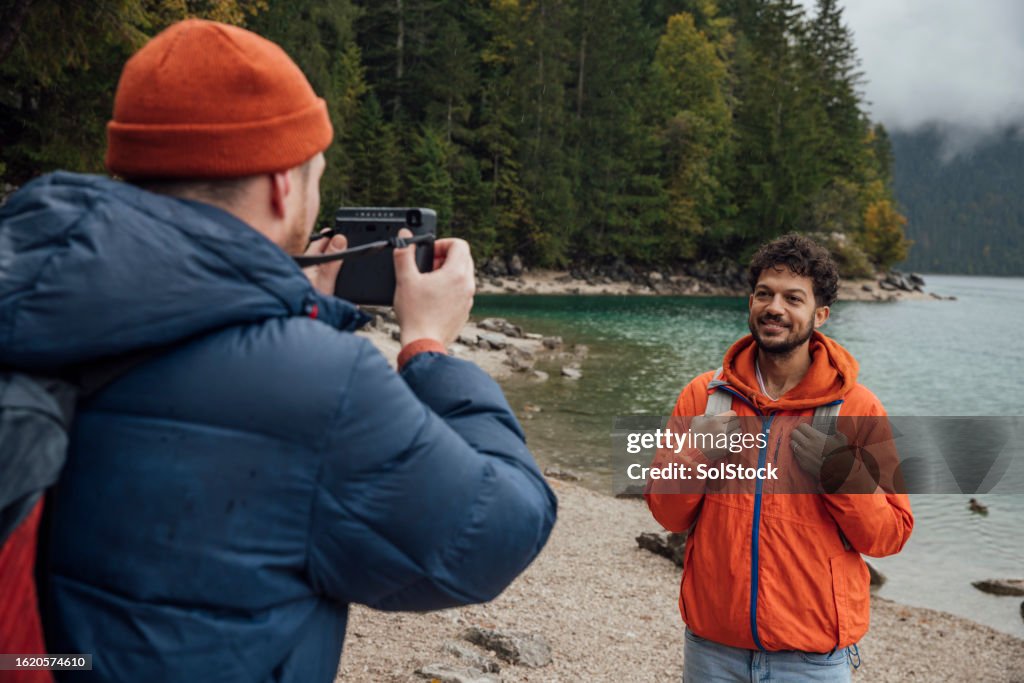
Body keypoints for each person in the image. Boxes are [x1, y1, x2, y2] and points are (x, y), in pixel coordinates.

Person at [0, 19, 556, 682]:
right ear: (282, 184)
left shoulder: (27, 287)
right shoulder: (323, 388)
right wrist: (427, 346)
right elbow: (497, 530)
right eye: (313, 169)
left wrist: (291, 309)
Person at [645, 234, 913, 682]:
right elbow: (667, 514)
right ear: (750, 301)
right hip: (712, 651)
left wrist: (842, 475)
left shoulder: (858, 408)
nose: (775, 308)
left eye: (793, 298)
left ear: (820, 315)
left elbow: (889, 536)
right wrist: (696, 458)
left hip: (812, 661)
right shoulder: (704, 396)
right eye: (765, 294)